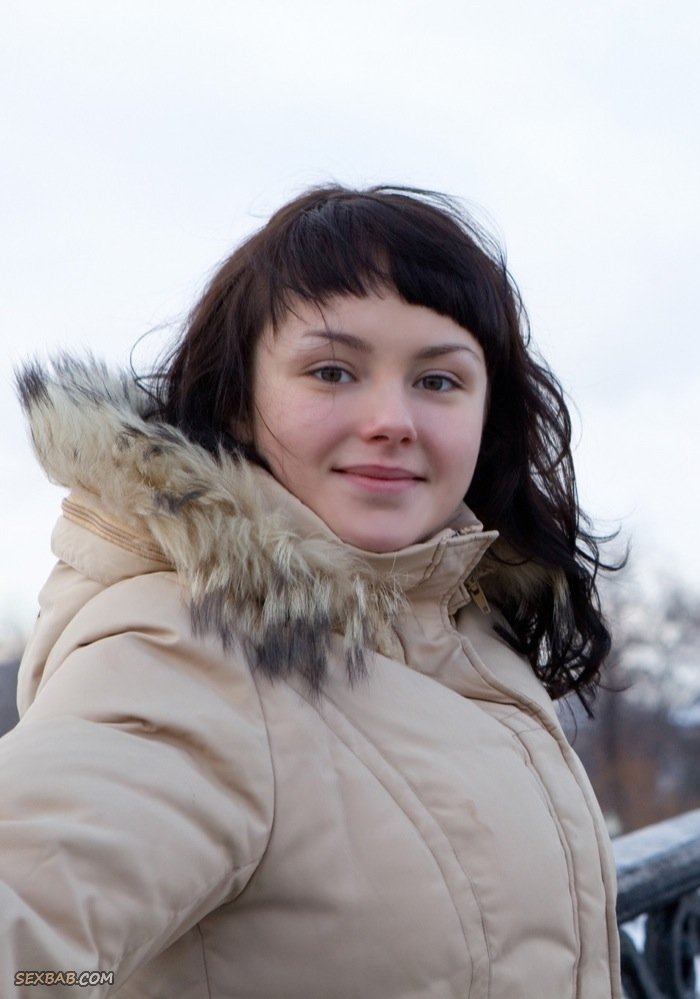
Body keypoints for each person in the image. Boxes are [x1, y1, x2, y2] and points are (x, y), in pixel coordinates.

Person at [0, 185, 621, 997]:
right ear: (239, 401)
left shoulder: (467, 629)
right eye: (333, 371)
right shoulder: (189, 649)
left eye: (439, 380)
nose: (392, 418)